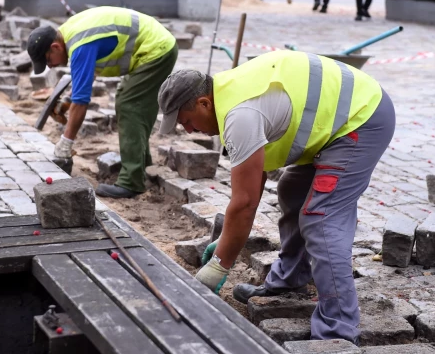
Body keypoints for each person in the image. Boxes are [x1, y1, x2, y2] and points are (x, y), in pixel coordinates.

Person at [157, 50, 395, 344]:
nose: (190, 130)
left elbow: (244, 203)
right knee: (291, 189)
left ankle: (337, 332)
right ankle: (290, 281)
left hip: (362, 117)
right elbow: (252, 186)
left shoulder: (240, 116)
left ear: (204, 103)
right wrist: (227, 241)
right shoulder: (228, 96)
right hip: (340, 118)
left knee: (321, 218)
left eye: (187, 121)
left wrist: (219, 266)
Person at [27, 6, 178, 198]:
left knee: (129, 104)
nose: (50, 66)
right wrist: (67, 101)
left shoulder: (79, 45)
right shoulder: (67, 33)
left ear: (55, 47)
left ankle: (131, 182)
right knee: (129, 99)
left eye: (48, 60)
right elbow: (86, 74)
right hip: (157, 44)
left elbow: (81, 102)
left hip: (157, 50)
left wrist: (65, 144)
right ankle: (141, 164)